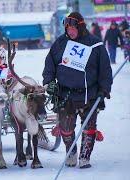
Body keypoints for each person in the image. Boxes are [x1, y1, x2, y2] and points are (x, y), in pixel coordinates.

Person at [42, 12, 112, 169]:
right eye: (67, 28)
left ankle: (84, 156)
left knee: (89, 128)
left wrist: (104, 90)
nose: (70, 31)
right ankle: (71, 151)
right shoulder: (60, 43)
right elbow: (49, 65)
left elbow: (105, 71)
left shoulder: (96, 45)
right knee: (66, 129)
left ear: (80, 27)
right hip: (65, 95)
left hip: (90, 94)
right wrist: (49, 82)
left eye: (73, 28)